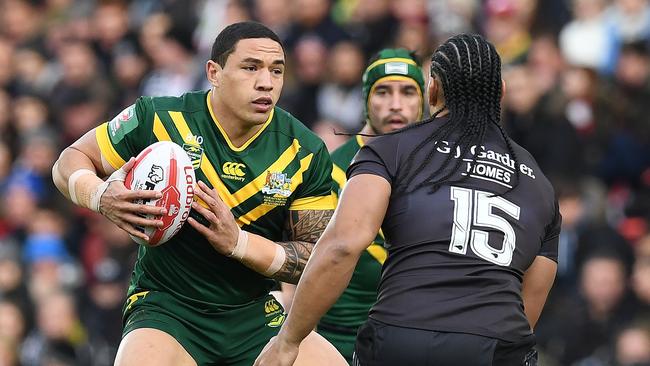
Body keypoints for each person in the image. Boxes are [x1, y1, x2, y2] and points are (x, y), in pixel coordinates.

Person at [255, 34, 560, 366]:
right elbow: (530, 303)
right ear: (500, 92)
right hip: (497, 347)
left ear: (431, 90)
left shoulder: (393, 148)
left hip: (402, 338)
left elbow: (342, 246)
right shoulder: (537, 181)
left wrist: (288, 340)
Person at [51, 21, 346, 366]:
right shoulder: (158, 118)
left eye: (276, 71)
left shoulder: (304, 150)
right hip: (166, 308)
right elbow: (68, 162)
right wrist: (102, 197)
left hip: (253, 313)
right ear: (214, 72)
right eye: (251, 67)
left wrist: (238, 243)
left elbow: (315, 259)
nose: (266, 82)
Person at [317, 48, 425, 363]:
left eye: (407, 92)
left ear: (423, 100)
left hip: (409, 335)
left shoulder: (439, 168)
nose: (395, 104)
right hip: (332, 335)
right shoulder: (331, 169)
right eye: (383, 91)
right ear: (366, 99)